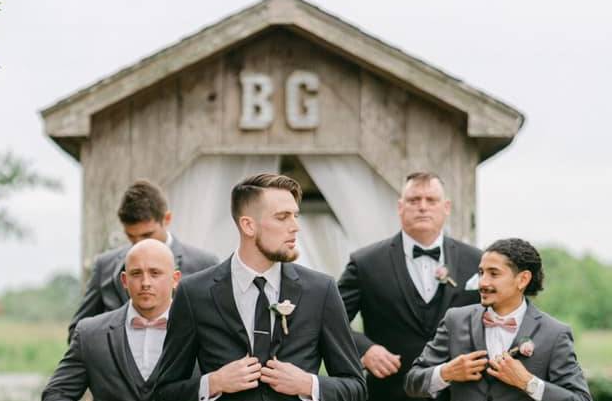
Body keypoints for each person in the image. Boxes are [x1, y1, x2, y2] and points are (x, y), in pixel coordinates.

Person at [154, 173, 367, 401]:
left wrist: (308, 385)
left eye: (295, 216)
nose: (295, 227)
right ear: (248, 226)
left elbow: (356, 388)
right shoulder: (194, 293)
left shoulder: (321, 290)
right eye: (282, 217)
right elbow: (163, 393)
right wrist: (212, 383)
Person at [338, 171, 482, 401]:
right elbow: (331, 320)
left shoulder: (477, 261)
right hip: (388, 393)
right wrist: (364, 350)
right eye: (414, 200)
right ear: (400, 206)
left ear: (446, 207)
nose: (422, 207)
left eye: (431, 200)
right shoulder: (365, 263)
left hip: (461, 394)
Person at [405, 238, 592, 401]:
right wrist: (446, 373)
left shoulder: (554, 334)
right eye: (481, 272)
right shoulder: (455, 320)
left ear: (522, 279)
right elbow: (412, 382)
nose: (483, 282)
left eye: (494, 274)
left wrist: (528, 382)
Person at [68, 179, 218, 340]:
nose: (140, 244)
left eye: (147, 234)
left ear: (166, 219)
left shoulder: (205, 265)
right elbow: (78, 332)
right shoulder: (105, 265)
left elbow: (218, 330)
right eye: (131, 236)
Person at [42, 239, 181, 401]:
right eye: (136, 274)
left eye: (155, 273)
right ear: (124, 280)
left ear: (175, 279)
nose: (145, 283)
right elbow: (56, 394)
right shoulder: (90, 334)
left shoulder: (197, 330)